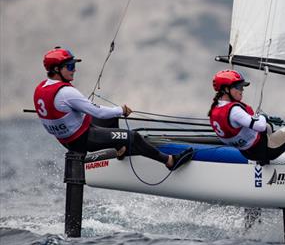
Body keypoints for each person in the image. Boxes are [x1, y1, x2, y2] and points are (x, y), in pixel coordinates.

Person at [33, 47, 193, 170]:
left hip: (68, 139)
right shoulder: (66, 92)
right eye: (70, 66)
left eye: (73, 65)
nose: (74, 69)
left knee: (109, 118)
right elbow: (98, 112)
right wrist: (121, 110)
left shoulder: (41, 88)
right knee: (133, 136)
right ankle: (170, 161)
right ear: (56, 70)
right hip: (82, 140)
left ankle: (120, 148)